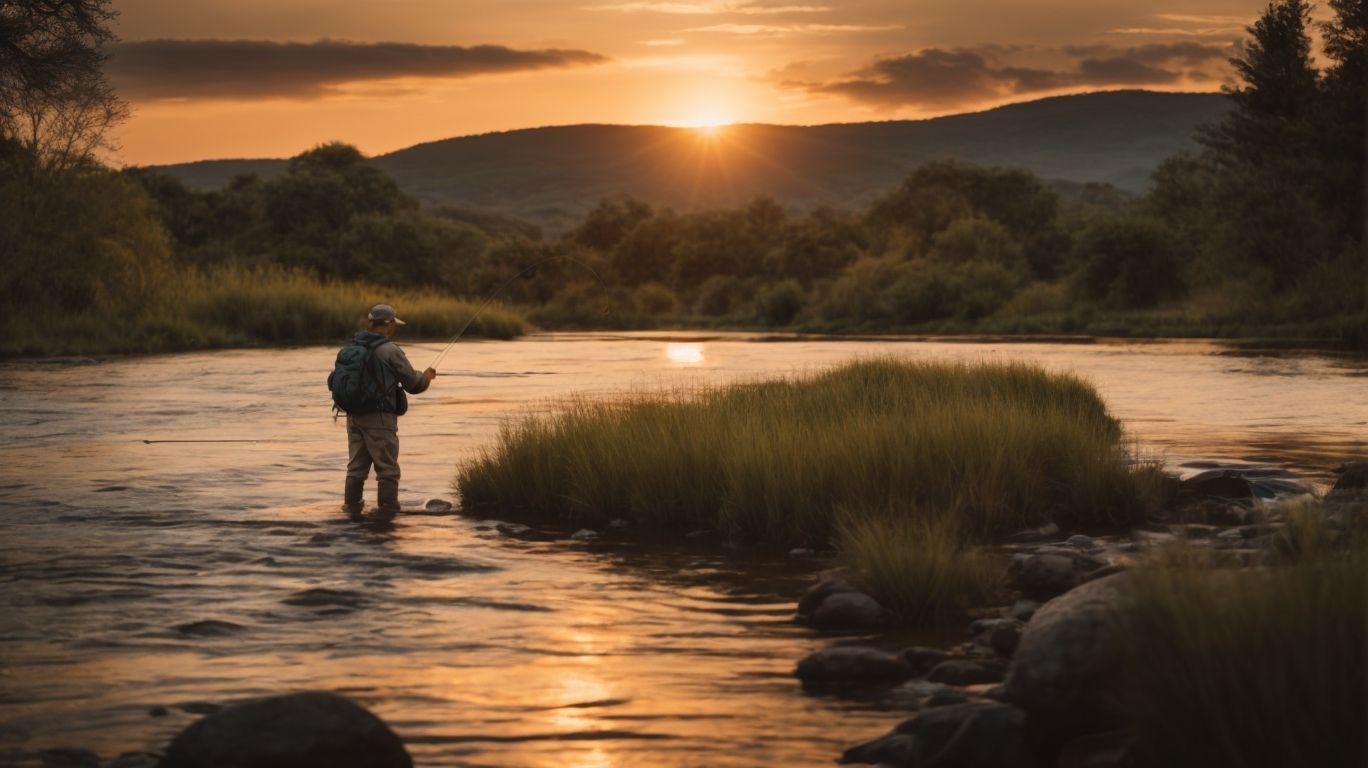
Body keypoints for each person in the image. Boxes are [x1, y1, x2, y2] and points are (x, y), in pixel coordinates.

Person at [342, 304, 437, 517]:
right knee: (387, 471)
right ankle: (388, 515)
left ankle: (350, 514)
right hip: (380, 420)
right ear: (391, 323)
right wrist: (427, 377)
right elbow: (414, 385)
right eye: (395, 324)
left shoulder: (352, 346)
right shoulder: (390, 350)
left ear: (371, 322)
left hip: (353, 416)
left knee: (355, 470)